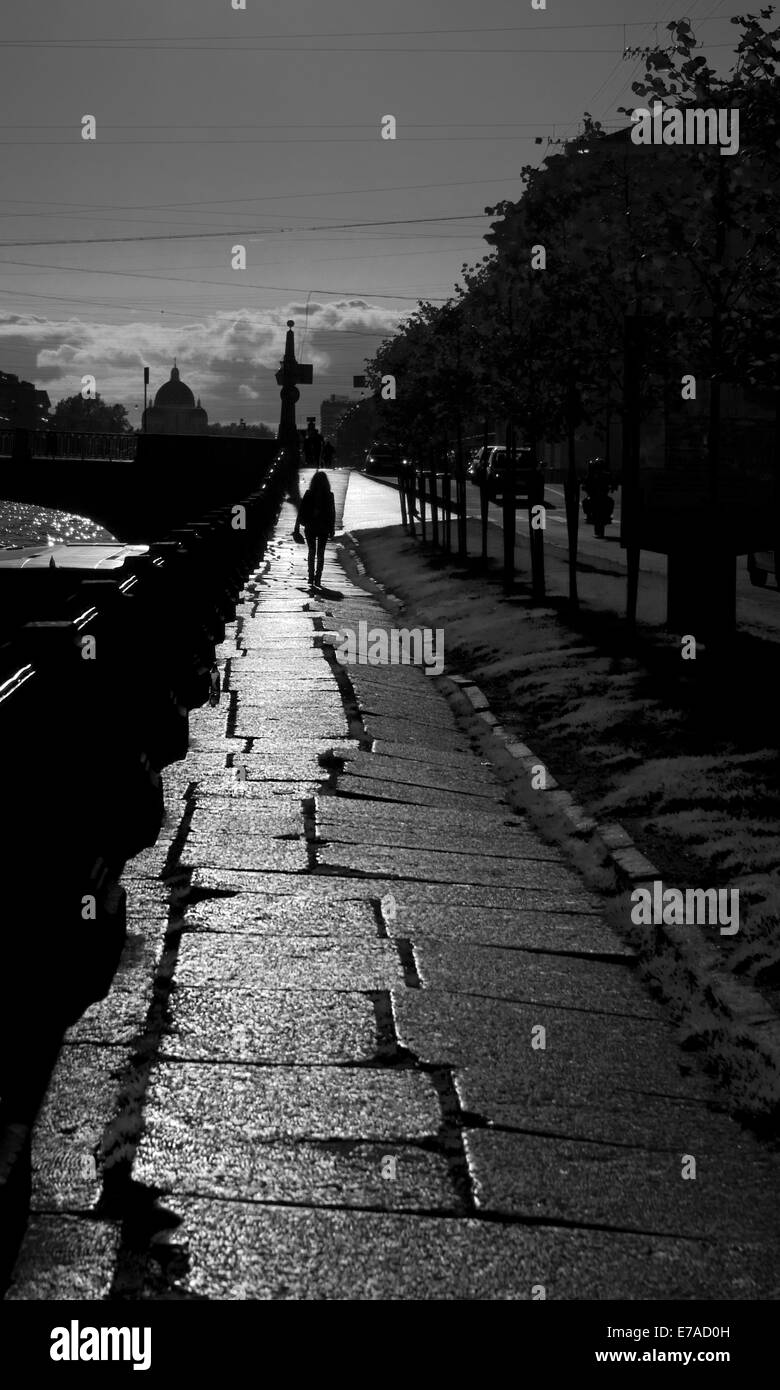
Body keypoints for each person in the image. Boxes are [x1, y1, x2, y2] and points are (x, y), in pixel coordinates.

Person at [293, 470, 336, 589]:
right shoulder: (329, 495)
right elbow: (332, 513)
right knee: (320, 553)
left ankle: (311, 577)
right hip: (323, 528)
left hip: (310, 526)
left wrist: (296, 527)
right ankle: (318, 578)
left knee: (311, 552)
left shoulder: (308, 493)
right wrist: (332, 528)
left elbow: (301, 511)